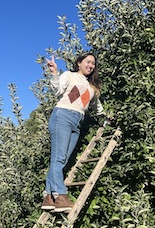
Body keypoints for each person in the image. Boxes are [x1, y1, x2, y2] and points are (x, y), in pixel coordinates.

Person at [41, 52, 105, 213]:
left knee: (61, 160)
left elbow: (97, 107)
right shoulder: (69, 75)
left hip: (77, 121)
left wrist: (106, 117)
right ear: (79, 63)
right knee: (59, 157)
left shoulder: (92, 86)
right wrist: (55, 72)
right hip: (62, 116)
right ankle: (61, 196)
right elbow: (57, 90)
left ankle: (48, 197)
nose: (90, 65)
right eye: (87, 62)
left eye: (93, 63)